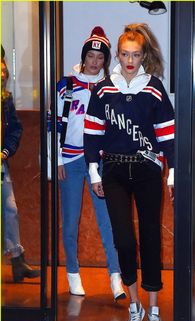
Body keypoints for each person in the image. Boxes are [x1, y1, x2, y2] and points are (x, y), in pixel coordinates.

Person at [84, 23, 174, 321]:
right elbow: (92, 133)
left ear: (143, 54)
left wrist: (172, 171)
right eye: (125, 54)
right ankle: (134, 305)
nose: (130, 60)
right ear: (118, 55)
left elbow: (166, 133)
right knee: (124, 239)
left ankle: (154, 310)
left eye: (136, 54)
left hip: (149, 170)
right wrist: (94, 170)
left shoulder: (154, 87)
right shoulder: (104, 88)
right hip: (115, 171)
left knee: (151, 237)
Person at [56, 27, 125, 300]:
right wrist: (56, 160)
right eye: (91, 55)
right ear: (83, 56)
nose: (95, 61)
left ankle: (115, 278)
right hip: (70, 160)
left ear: (106, 60)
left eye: (100, 57)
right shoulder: (67, 84)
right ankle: (73, 274)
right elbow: (55, 123)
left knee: (108, 221)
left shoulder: (110, 87)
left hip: (100, 161)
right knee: (70, 222)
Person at [1, 45, 40, 282]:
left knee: (10, 208)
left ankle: (17, 261)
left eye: (3, 62)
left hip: (0, 162)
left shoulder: (5, 99)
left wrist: (5, 151)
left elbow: (15, 127)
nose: (3, 68)